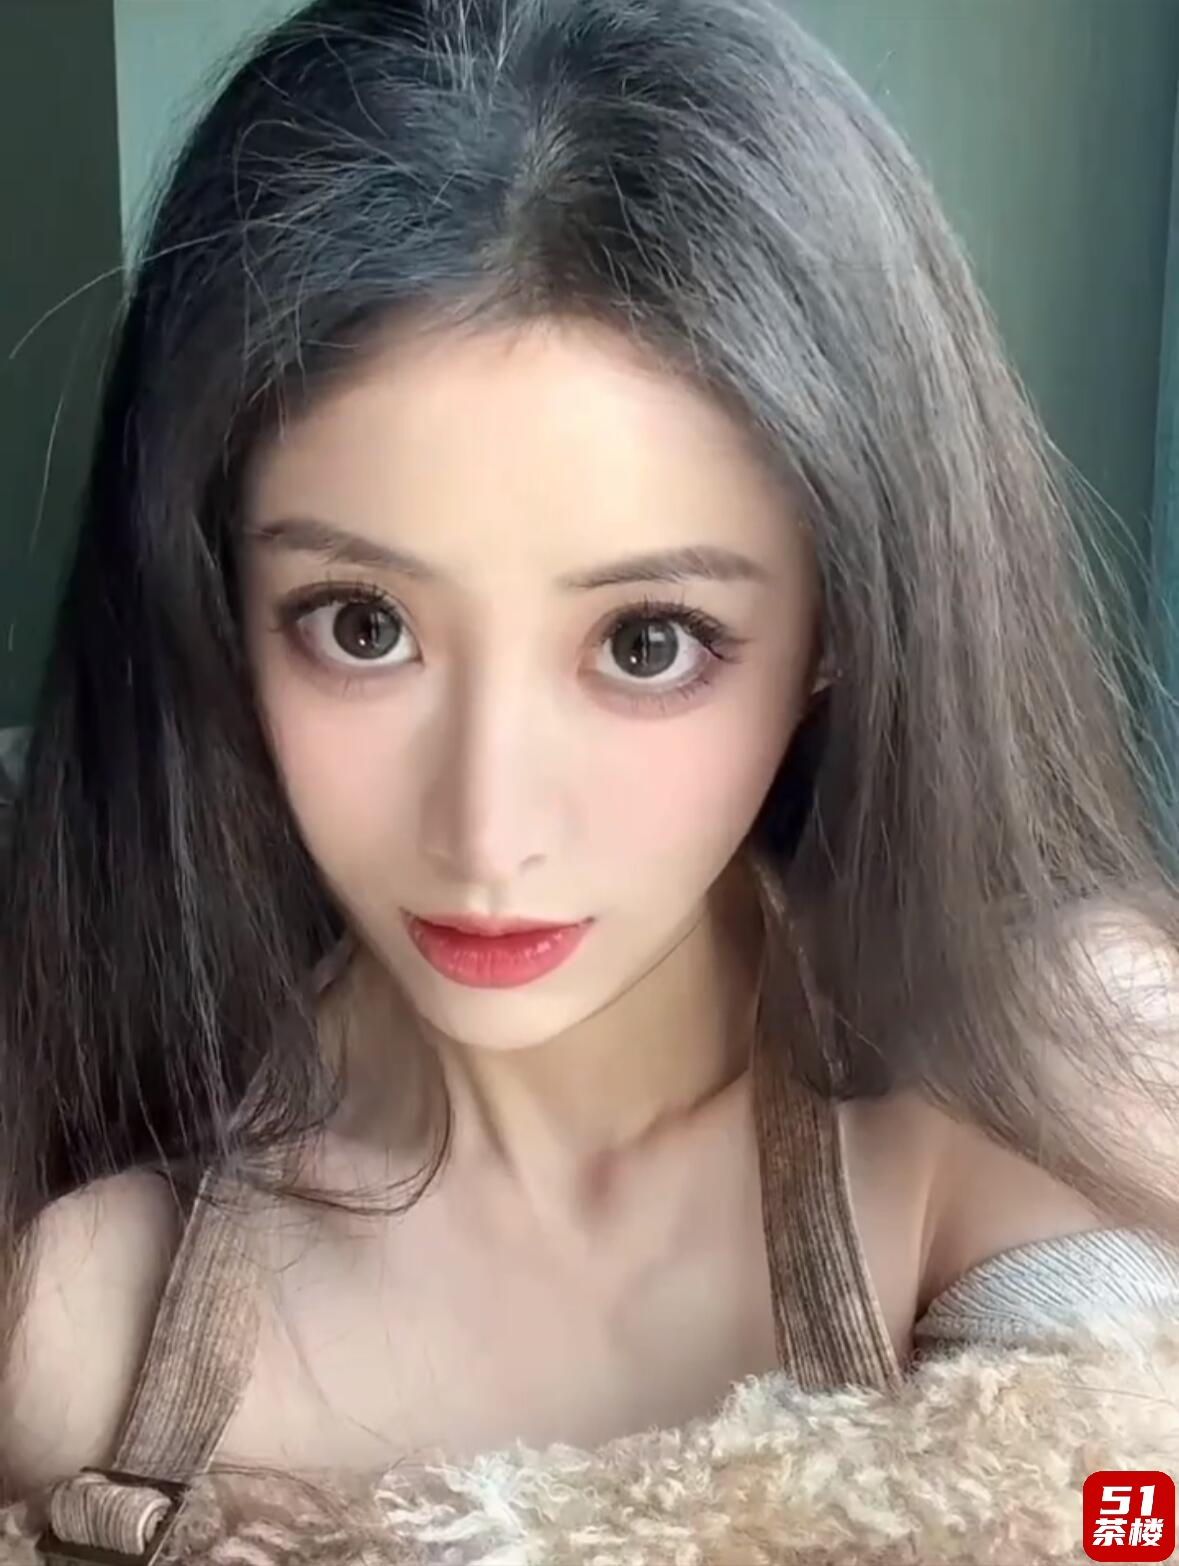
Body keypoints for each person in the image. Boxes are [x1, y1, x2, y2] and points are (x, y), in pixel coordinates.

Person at [2, 0, 1178, 1546]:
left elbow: (1123, 1492)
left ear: (843, 624)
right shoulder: (88, 1327)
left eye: (646, 642)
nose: (488, 830)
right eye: (362, 625)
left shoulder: (1039, 1105)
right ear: (214, 600)